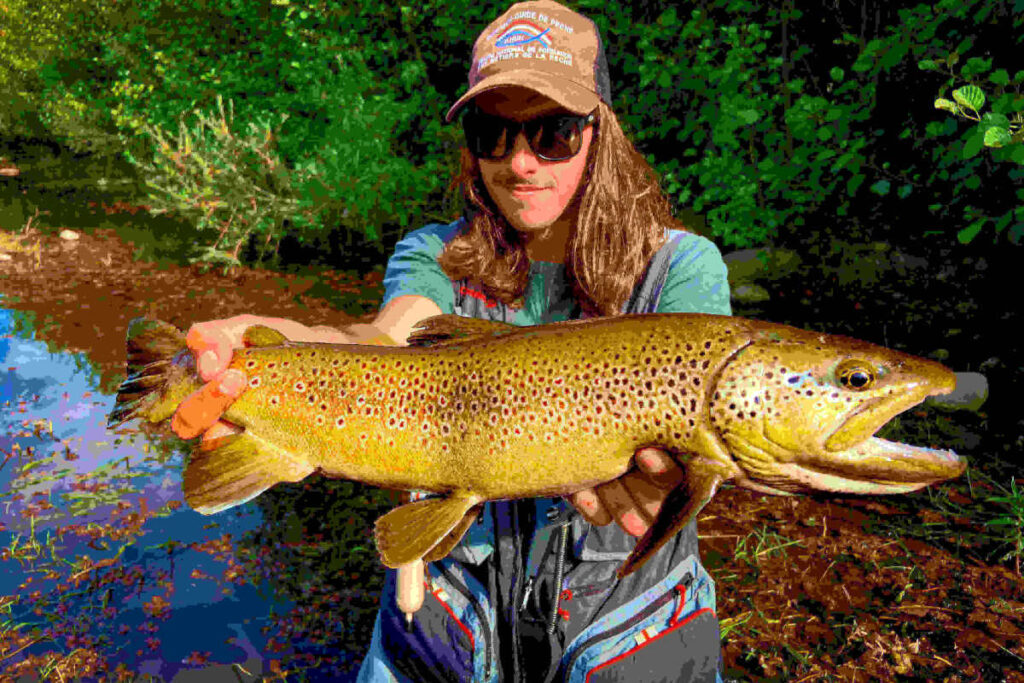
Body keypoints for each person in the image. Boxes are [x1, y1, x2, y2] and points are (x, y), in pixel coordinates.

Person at [171, 1, 731, 680]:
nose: (521, 161)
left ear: (599, 133)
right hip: (450, 619)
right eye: (494, 131)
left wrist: (676, 485)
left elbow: (716, 410)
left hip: (621, 628)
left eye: (552, 132)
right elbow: (380, 337)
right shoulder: (434, 254)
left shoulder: (681, 267)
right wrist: (264, 351)